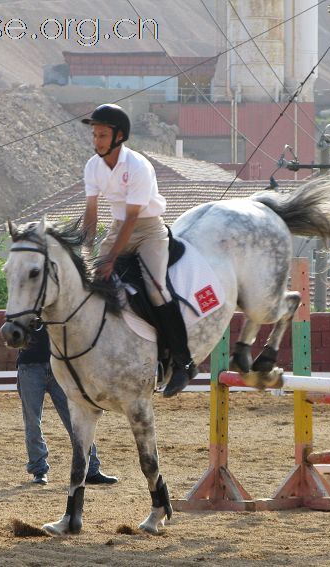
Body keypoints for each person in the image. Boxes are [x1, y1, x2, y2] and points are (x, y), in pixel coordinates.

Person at [81, 103, 198, 398]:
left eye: (102, 135)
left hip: (147, 230)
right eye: (94, 135)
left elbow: (134, 218)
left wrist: (109, 259)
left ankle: (184, 362)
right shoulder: (93, 166)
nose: (97, 141)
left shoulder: (137, 166)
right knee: (89, 285)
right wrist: (86, 253)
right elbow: (92, 214)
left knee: (157, 290)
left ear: (119, 136)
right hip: (117, 227)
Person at [17, 325, 118, 485]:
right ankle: (39, 470)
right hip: (30, 367)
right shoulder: (27, 303)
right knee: (32, 422)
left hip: (59, 366)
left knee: (77, 420)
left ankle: (90, 469)